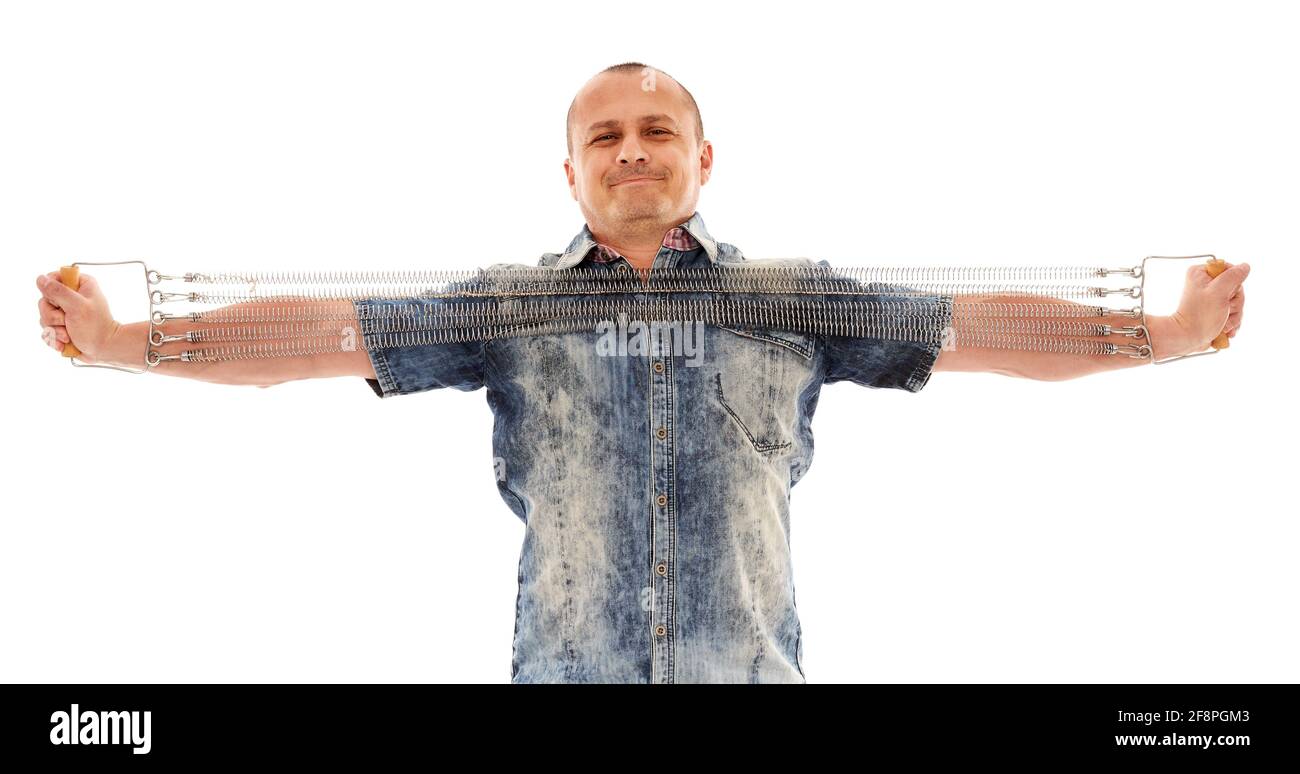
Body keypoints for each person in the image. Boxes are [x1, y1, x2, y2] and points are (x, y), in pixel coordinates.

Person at [35, 62, 1250, 683]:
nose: (630, 149)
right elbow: (319, 338)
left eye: (655, 129)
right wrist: (138, 343)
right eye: (602, 136)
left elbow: (972, 328)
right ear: (569, 172)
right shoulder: (508, 304)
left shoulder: (789, 296)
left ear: (701, 157)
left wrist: (1158, 335)